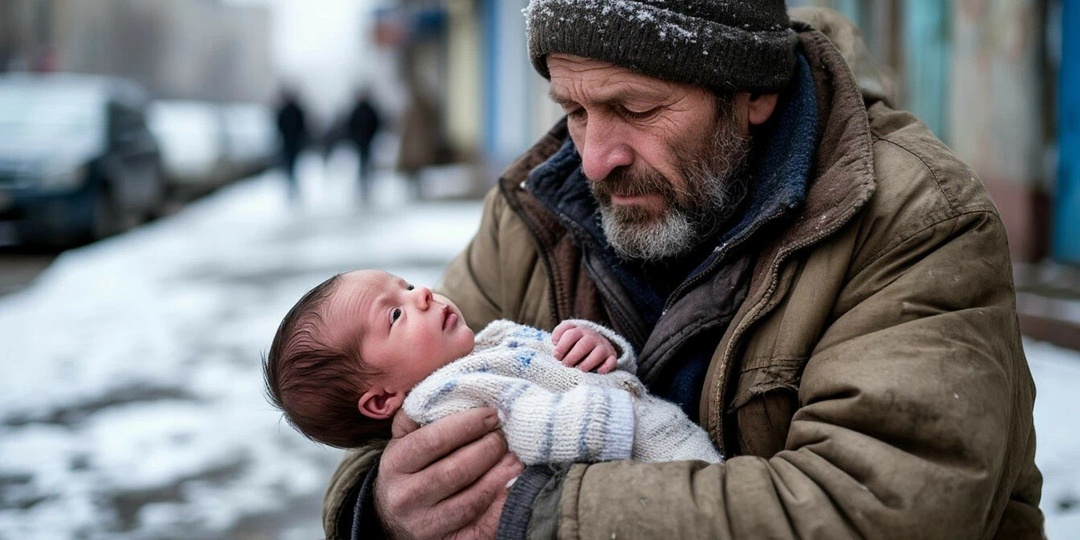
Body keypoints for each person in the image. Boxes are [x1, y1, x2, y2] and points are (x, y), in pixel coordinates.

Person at [323, 3, 1044, 539]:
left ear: (752, 95)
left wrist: (544, 518)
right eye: (573, 109)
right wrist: (383, 504)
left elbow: (882, 510)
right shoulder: (535, 212)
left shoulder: (915, 220)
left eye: (634, 107)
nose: (595, 157)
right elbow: (384, 398)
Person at [264, 269, 723, 465]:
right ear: (382, 399)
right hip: (643, 449)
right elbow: (535, 427)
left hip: (657, 433)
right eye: (395, 314)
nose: (422, 293)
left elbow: (554, 356)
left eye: (404, 285)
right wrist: (614, 411)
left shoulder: (485, 342)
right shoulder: (443, 404)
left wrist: (597, 346)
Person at [346, 89, 382, 203]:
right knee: (362, 163)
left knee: (368, 162)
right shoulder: (356, 110)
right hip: (359, 141)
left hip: (368, 140)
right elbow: (350, 125)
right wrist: (354, 138)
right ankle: (362, 184)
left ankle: (368, 183)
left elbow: (376, 123)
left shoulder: (370, 110)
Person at [275, 87, 308, 200]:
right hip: (290, 143)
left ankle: (292, 188)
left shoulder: (290, 110)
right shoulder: (292, 110)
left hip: (291, 143)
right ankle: (292, 188)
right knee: (291, 166)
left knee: (291, 166)